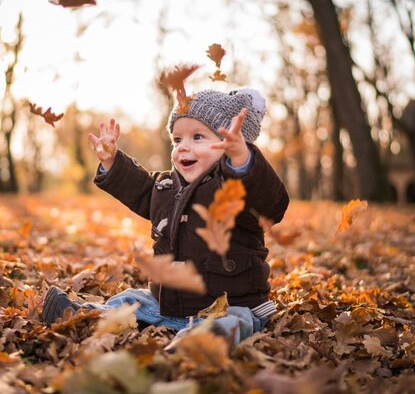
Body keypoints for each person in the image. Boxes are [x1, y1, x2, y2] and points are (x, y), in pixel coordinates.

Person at [42, 88, 289, 347]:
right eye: (177, 139)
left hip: (232, 304)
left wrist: (242, 161)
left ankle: (193, 348)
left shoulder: (235, 189)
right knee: (130, 300)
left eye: (197, 137)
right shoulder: (165, 187)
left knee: (230, 323)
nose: (183, 147)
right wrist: (113, 162)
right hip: (169, 304)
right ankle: (86, 315)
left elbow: (271, 205)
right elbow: (140, 190)